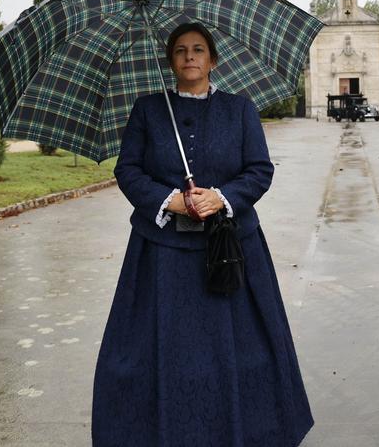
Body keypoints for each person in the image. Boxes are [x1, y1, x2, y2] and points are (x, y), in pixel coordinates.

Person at [91, 23, 313, 446]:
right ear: (170, 61)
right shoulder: (149, 109)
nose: (189, 57)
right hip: (162, 257)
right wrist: (169, 200)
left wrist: (222, 197)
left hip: (230, 251)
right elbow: (128, 170)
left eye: (198, 50)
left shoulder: (240, 109)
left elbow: (259, 170)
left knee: (243, 352)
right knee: (160, 353)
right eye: (180, 51)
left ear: (213, 60)